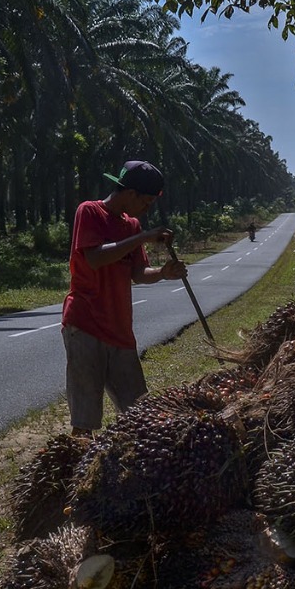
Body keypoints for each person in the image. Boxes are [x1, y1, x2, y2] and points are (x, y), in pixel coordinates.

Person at [62, 160, 187, 434]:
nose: (147, 208)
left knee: (139, 412)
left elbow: (139, 273)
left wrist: (164, 272)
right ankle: (77, 468)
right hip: (85, 325)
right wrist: (142, 237)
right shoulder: (90, 211)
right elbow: (95, 258)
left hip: (119, 329)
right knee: (85, 419)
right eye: (147, 201)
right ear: (130, 194)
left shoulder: (131, 225)